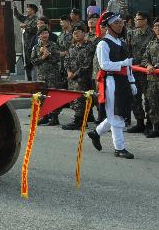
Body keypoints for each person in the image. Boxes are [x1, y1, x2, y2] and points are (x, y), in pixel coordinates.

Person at [87, 11, 137, 159]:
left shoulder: (121, 42)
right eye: (117, 22)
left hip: (123, 81)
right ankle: (119, 148)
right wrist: (123, 64)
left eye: (121, 22)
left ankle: (96, 133)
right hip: (111, 81)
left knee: (117, 112)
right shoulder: (103, 43)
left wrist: (131, 80)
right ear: (107, 26)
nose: (120, 25)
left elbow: (128, 67)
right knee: (116, 115)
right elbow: (104, 65)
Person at [61, 24, 95, 130]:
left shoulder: (89, 46)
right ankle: (82, 117)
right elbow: (66, 60)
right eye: (74, 33)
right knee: (74, 98)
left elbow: (86, 64)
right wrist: (68, 72)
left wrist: (74, 74)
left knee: (80, 99)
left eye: (78, 32)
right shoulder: (72, 47)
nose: (75, 34)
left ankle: (79, 121)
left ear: (84, 33)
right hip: (72, 78)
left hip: (83, 79)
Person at [125, 11, 153, 134]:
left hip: (148, 72)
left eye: (138, 19)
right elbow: (127, 50)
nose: (136, 21)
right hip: (134, 71)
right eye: (135, 19)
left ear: (145, 20)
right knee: (135, 98)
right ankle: (139, 122)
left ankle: (150, 124)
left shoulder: (152, 34)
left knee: (149, 99)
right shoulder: (131, 33)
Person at [31, 29, 62, 126]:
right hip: (41, 76)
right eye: (42, 33)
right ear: (39, 36)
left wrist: (49, 55)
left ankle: (54, 117)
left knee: (52, 96)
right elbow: (33, 61)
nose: (45, 35)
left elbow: (58, 58)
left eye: (46, 33)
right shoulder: (36, 47)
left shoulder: (53, 45)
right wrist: (43, 57)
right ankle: (44, 116)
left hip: (52, 75)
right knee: (42, 96)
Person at [15, 3, 39, 80]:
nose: (27, 10)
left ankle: (33, 80)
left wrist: (25, 26)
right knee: (26, 63)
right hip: (25, 44)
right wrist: (14, 8)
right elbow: (19, 16)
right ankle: (28, 80)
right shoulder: (27, 18)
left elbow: (34, 30)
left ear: (33, 10)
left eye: (29, 9)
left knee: (31, 63)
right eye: (27, 9)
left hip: (32, 44)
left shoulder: (36, 19)